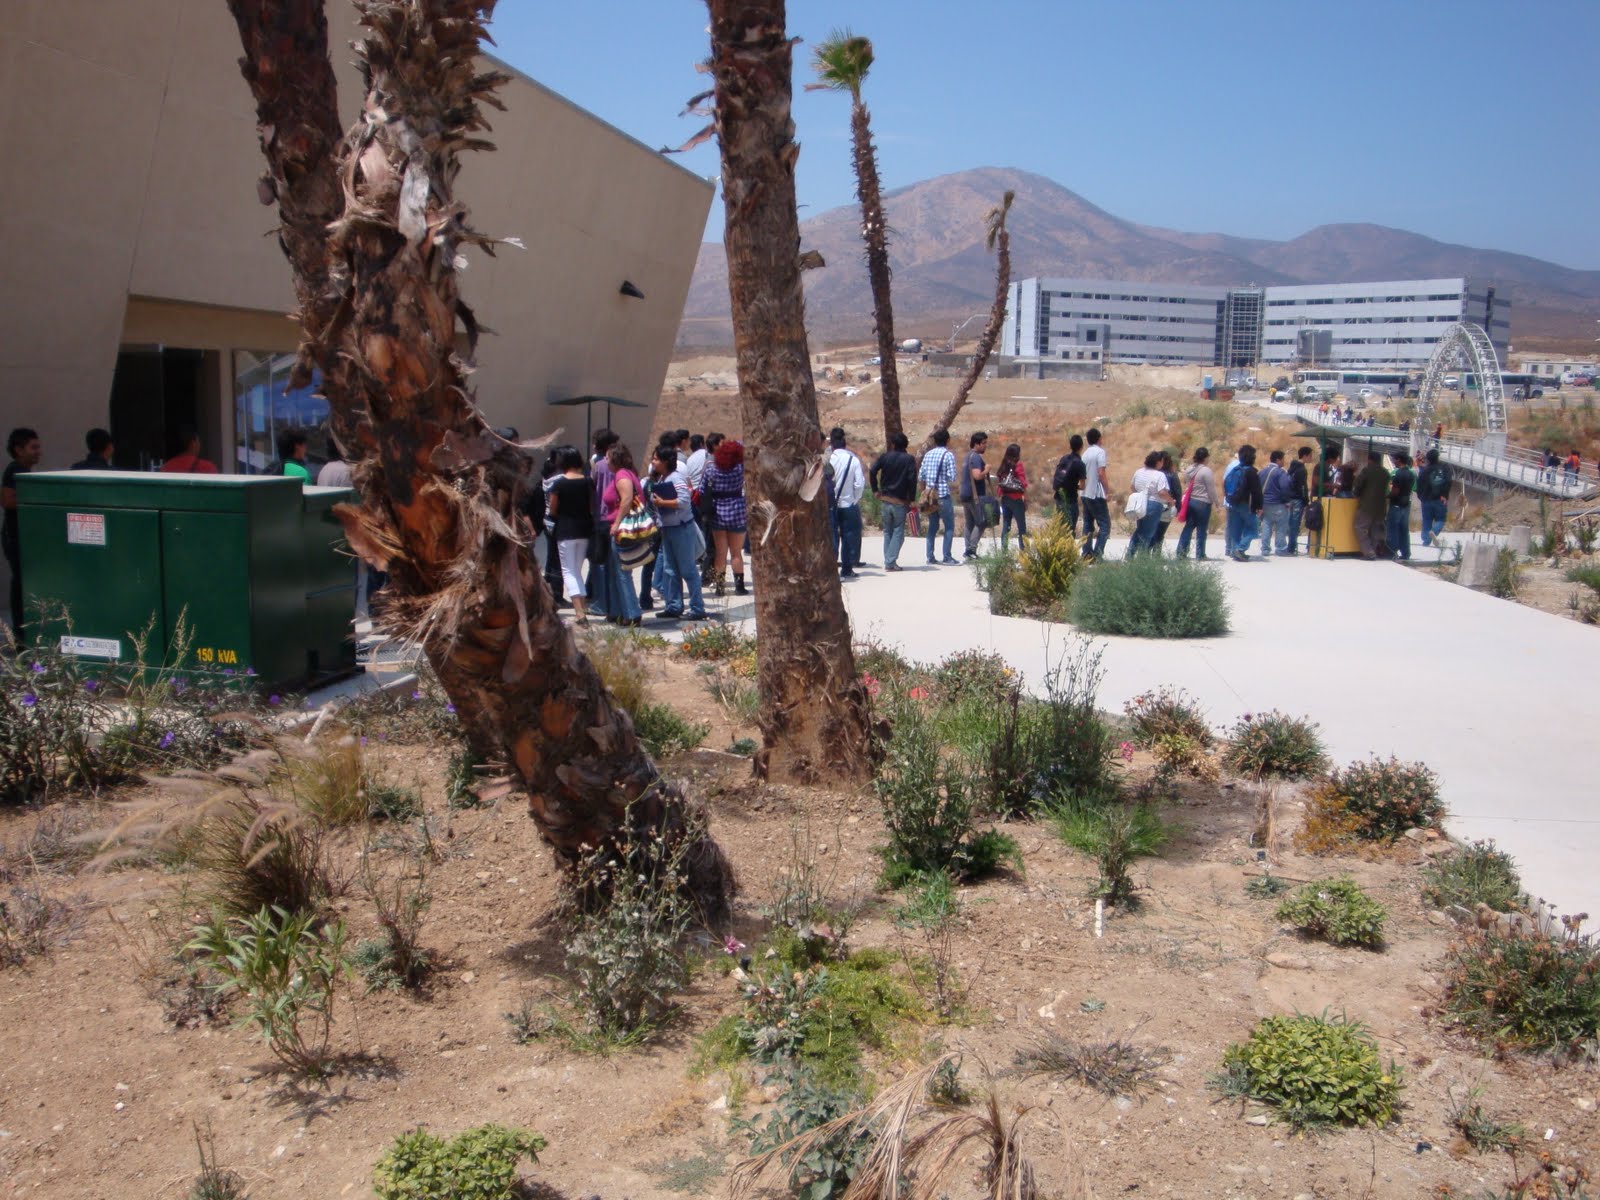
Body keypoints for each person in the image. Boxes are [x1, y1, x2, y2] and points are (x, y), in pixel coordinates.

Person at [648, 446, 709, 622]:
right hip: (668, 529)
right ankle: (674, 606)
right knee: (670, 570)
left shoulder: (676, 478)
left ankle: (697, 608)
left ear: (666, 461)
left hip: (682, 529)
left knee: (688, 570)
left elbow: (683, 500)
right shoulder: (661, 479)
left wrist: (662, 502)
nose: (653, 462)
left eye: (656, 459)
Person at [545, 446, 594, 624]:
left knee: (568, 572)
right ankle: (581, 608)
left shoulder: (558, 484)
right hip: (584, 529)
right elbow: (591, 507)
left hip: (565, 530)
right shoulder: (588, 481)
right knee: (577, 571)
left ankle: (580, 613)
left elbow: (553, 509)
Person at [3, 428, 42, 645]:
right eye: (33, 447)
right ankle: (19, 634)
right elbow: (7, 500)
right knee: (20, 584)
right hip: (15, 538)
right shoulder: (14, 471)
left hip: (25, 537)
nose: (38, 452)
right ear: (19, 450)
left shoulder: (25, 472)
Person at [601, 443, 643, 626]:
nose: (605, 460)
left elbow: (626, 500)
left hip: (621, 530)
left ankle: (632, 613)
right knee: (617, 571)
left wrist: (616, 523)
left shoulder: (622, 476)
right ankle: (618, 611)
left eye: (608, 457)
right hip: (619, 528)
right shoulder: (626, 473)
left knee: (622, 572)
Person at [703, 438, 748, 596]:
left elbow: (703, 490)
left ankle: (720, 587)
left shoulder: (711, 469)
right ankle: (739, 586)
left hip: (718, 512)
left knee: (721, 552)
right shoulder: (740, 469)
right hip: (737, 511)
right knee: (736, 553)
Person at [869, 432, 917, 571]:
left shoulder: (885, 457)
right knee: (898, 532)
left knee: (888, 532)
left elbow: (872, 471)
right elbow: (912, 480)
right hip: (899, 502)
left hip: (885, 499)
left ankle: (889, 560)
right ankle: (890, 562)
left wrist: (875, 489)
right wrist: (912, 499)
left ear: (894, 444)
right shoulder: (909, 459)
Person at [588, 428, 620, 617]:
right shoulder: (621, 467)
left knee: (598, 561)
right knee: (612, 562)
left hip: (600, 517)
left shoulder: (596, 465)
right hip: (615, 517)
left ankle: (601, 603)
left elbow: (592, 489)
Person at [828, 427, 865, 577]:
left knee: (832, 536)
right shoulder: (853, 460)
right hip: (848, 504)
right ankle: (847, 568)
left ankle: (831, 568)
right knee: (849, 536)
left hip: (831, 504)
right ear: (845, 444)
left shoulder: (827, 460)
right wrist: (854, 499)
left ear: (832, 446)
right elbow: (859, 484)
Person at [918, 428, 958, 565]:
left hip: (930, 497)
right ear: (947, 440)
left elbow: (921, 476)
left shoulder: (927, 455)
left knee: (932, 526)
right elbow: (952, 477)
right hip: (942, 495)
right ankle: (947, 556)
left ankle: (930, 556)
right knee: (949, 526)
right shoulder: (948, 455)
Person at [1126, 451, 1174, 557]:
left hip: (1139, 504)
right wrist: (1171, 501)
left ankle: (1129, 555)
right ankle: (1142, 558)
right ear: (1157, 462)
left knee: (1139, 531)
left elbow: (1133, 487)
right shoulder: (1159, 475)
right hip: (1154, 505)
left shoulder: (1138, 472)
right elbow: (1162, 492)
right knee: (1148, 533)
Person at [1224, 444, 1264, 562]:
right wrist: (1259, 507)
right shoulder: (1251, 472)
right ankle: (1240, 549)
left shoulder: (1235, 470)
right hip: (1246, 505)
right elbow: (1256, 491)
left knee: (1235, 529)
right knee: (1253, 530)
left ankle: (1235, 550)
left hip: (1233, 503)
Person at [1175, 446, 1214, 560]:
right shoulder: (1206, 471)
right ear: (1206, 458)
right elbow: (1211, 489)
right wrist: (1216, 502)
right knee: (1202, 529)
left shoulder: (1189, 469)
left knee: (1189, 527)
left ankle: (1181, 553)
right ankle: (1200, 554)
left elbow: (1187, 483)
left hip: (1191, 501)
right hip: (1203, 502)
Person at [1352, 450, 1391, 561]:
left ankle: (1368, 551)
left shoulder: (1367, 471)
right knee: (1375, 530)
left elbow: (1358, 484)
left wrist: (1356, 494)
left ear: (1369, 460)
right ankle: (1373, 550)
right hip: (1381, 507)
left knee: (1359, 527)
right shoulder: (1385, 473)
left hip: (1367, 505)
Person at [1081, 427, 1110, 559]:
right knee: (1105, 525)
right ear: (1099, 439)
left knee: (1087, 524)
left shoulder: (1085, 454)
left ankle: (1086, 553)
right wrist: (1107, 491)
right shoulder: (1100, 452)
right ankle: (1098, 554)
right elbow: (1101, 472)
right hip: (1096, 493)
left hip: (1085, 493)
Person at [959, 431, 989, 559]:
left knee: (969, 523)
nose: (985, 446)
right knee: (981, 522)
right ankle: (971, 550)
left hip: (965, 494)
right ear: (976, 444)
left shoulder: (968, 456)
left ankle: (968, 550)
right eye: (983, 443)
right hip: (974, 496)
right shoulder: (976, 457)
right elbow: (977, 476)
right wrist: (987, 469)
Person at [1260, 449, 1294, 556]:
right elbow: (1285, 487)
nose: (1284, 461)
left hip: (1265, 504)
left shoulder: (1262, 471)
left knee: (1266, 525)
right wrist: (1287, 501)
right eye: (1283, 459)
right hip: (1278, 504)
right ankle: (1280, 549)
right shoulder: (1280, 472)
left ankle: (1265, 549)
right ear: (1278, 460)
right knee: (1281, 526)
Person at [1416, 447, 1452, 549]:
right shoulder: (1444, 468)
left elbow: (1419, 485)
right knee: (1441, 519)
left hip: (1426, 500)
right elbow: (1448, 482)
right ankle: (1434, 531)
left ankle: (1425, 540)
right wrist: (1444, 495)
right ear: (1437, 457)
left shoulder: (1424, 471)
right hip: (1439, 499)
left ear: (1427, 459)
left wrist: (1421, 497)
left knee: (1427, 520)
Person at [996, 442, 1029, 552]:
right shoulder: (1017, 464)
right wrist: (1025, 497)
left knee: (1006, 525)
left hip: (1005, 498)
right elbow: (1023, 482)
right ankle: (1023, 551)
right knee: (1021, 527)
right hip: (1016, 498)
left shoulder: (1004, 464)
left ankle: (1004, 550)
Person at [1052, 434, 1086, 530]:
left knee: (1060, 528)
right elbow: (1083, 486)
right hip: (1071, 500)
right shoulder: (1080, 463)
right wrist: (1075, 486)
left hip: (1059, 497)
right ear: (1081, 447)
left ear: (1070, 446)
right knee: (1070, 529)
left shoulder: (1064, 458)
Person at [1387, 450, 1415, 562]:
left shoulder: (1398, 474)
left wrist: (1387, 496)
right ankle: (1406, 553)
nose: (1393, 461)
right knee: (1404, 530)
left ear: (1399, 460)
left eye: (1394, 459)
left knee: (1393, 529)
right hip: (1406, 504)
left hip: (1396, 504)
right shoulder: (1411, 473)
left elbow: (1395, 491)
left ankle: (1392, 551)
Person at [1284, 446, 1312, 555]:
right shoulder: (1302, 469)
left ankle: (1288, 546)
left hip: (1289, 498)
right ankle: (1291, 548)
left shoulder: (1292, 467)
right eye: (1310, 456)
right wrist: (1306, 500)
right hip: (1297, 499)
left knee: (1289, 523)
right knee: (1295, 524)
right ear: (1304, 456)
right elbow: (1303, 487)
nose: (1311, 458)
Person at [1151, 451, 1181, 551]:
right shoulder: (1172, 475)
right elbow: (1177, 491)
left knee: (1152, 531)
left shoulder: (1153, 474)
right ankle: (1156, 555)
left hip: (1153, 505)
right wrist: (1177, 507)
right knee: (1160, 533)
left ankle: (1146, 554)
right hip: (1167, 506)